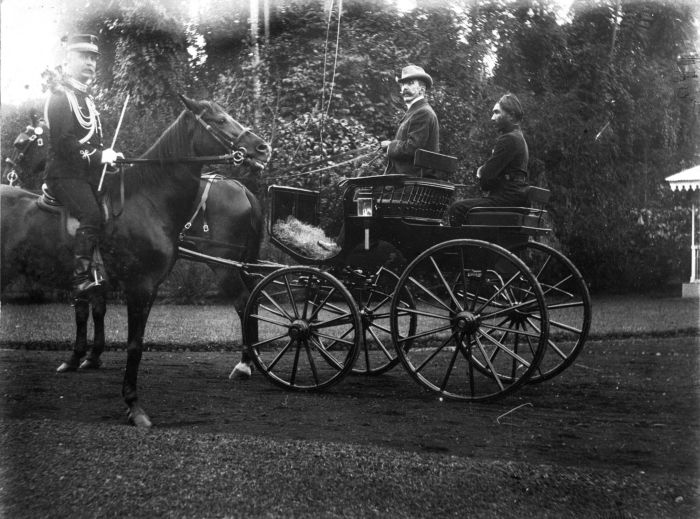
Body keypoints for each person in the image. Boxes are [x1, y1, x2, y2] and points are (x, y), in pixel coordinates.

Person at [43, 34, 122, 298]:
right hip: (63, 175)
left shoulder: (87, 99)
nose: (90, 62)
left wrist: (111, 158)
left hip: (84, 175)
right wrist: (99, 157)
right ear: (69, 59)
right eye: (83, 57)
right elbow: (65, 143)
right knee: (92, 214)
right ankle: (81, 278)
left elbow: (92, 142)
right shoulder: (59, 97)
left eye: (93, 58)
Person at [447, 93, 529, 226]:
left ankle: (462, 247)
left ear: (511, 115)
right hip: (516, 198)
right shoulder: (520, 138)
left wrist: (481, 172)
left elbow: (486, 179)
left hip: (506, 199)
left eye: (497, 113)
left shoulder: (508, 139)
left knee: (457, 208)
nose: (492, 118)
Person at [380, 65, 439, 176]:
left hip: (412, 183)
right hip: (404, 180)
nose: (405, 88)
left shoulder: (423, 112)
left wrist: (390, 146)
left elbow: (412, 148)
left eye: (410, 83)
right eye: (403, 84)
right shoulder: (415, 111)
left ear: (422, 89)